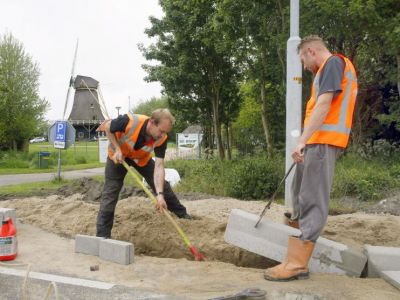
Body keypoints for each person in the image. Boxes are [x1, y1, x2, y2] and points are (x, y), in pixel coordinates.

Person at [264, 35, 358, 281]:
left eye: (303, 59)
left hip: (323, 141)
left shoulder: (333, 64)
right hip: (317, 142)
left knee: (312, 198)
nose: (304, 66)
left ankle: (296, 264)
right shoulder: (328, 69)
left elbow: (324, 105)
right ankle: (292, 250)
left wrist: (302, 139)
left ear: (311, 51)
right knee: (299, 193)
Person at [96, 108, 191, 238]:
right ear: (152, 122)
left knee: (163, 186)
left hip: (141, 159)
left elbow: (159, 166)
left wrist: (160, 195)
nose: (162, 135)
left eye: (165, 132)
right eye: (161, 131)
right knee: (110, 193)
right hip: (118, 157)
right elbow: (107, 127)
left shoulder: (162, 138)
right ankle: (102, 236)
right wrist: (117, 148)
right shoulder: (129, 121)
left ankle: (183, 216)